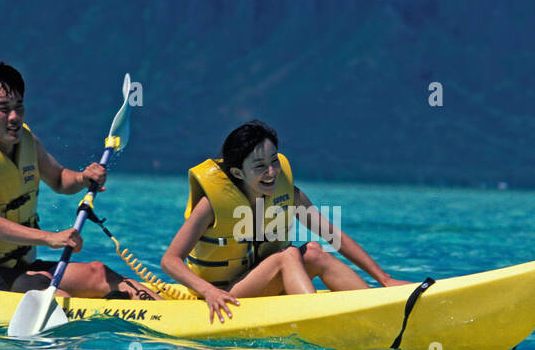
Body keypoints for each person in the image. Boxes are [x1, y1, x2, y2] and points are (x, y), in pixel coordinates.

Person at [0, 62, 155, 298]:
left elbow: (61, 179)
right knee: (56, 296)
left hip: (21, 267)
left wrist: (84, 177)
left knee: (99, 272)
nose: (14, 117)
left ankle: (164, 312)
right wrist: (51, 238)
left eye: (19, 107)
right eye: (3, 108)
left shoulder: (27, 143)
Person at [161, 120, 407, 322]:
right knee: (289, 254)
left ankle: (379, 312)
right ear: (238, 173)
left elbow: (333, 236)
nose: (271, 172)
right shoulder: (211, 205)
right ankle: (316, 320)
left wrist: (383, 278)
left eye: (274, 161)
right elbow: (170, 260)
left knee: (313, 251)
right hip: (225, 293)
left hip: (259, 282)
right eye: (259, 166)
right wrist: (208, 291)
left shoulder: (288, 193)